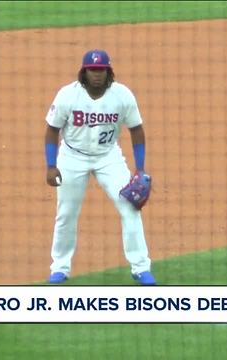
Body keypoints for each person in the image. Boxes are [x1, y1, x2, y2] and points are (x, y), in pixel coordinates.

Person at [44, 49, 156, 285]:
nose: (97, 74)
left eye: (101, 70)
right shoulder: (67, 95)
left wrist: (140, 168)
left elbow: (137, 130)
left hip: (108, 156)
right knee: (66, 213)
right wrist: (51, 165)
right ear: (84, 72)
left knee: (130, 207)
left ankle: (141, 268)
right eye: (92, 70)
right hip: (72, 157)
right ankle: (60, 268)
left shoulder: (122, 95)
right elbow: (52, 130)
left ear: (108, 72)